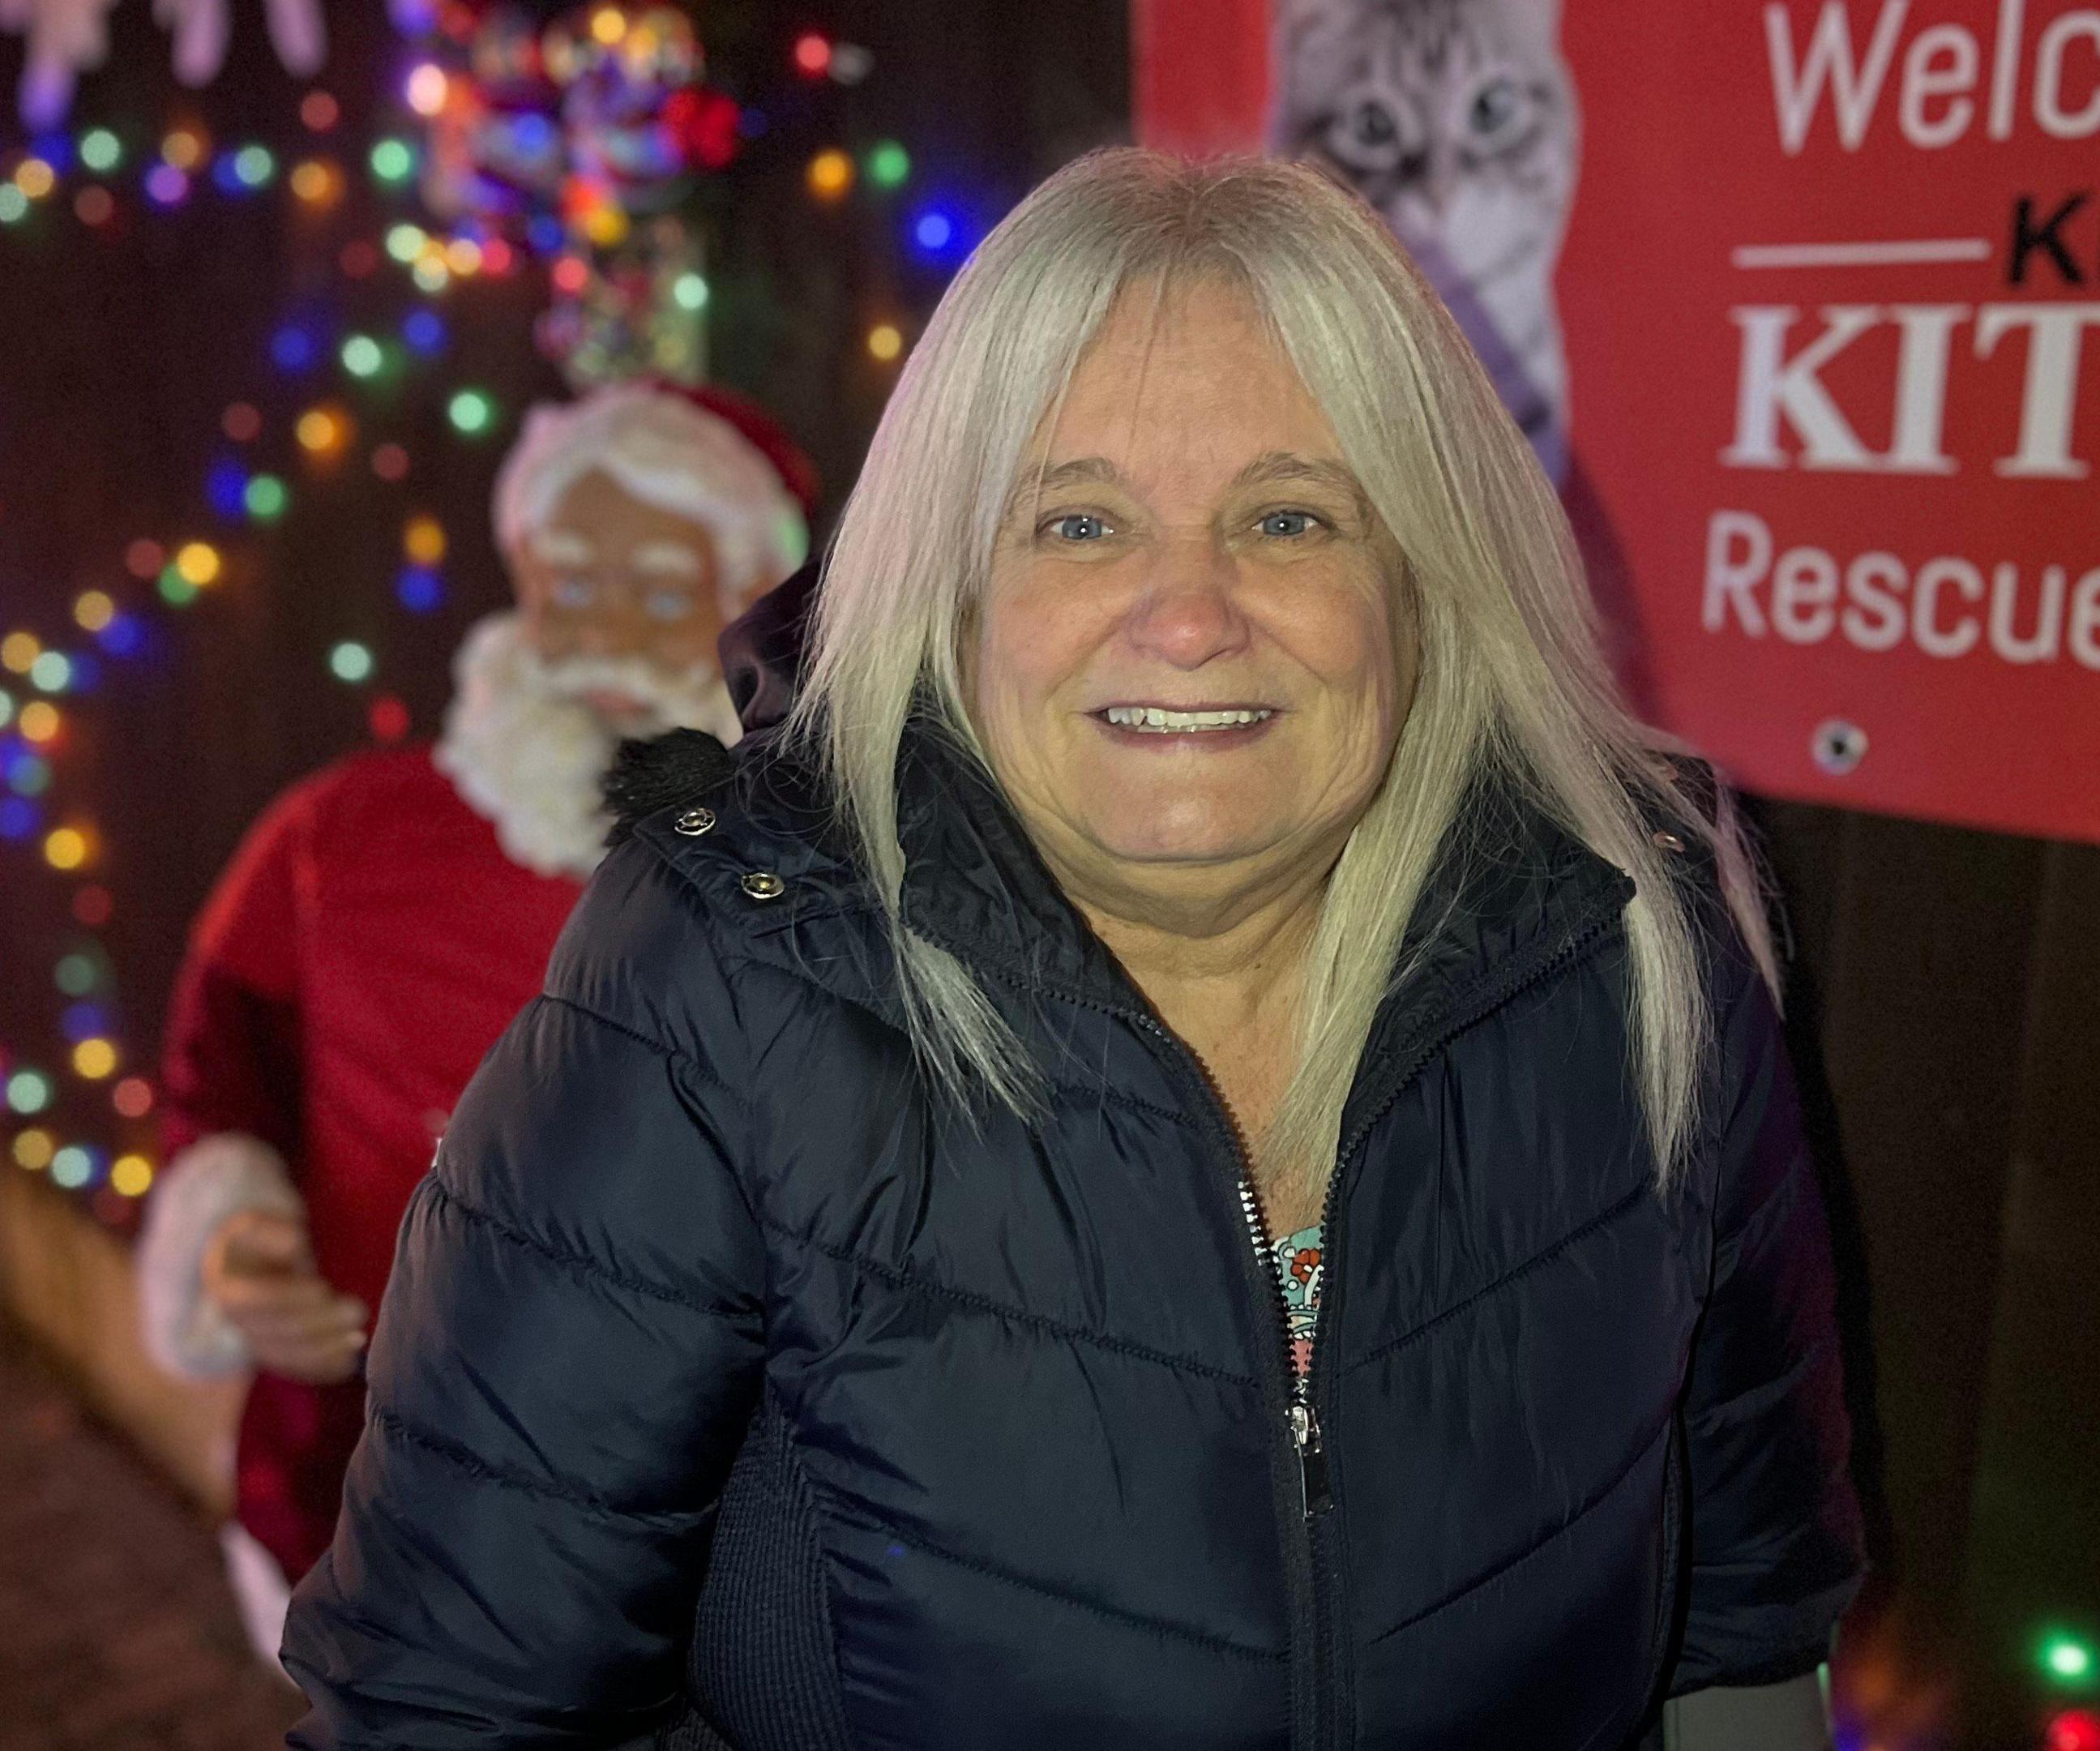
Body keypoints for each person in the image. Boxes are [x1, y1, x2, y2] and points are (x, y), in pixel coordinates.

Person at [283, 152, 1861, 1749]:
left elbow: (1740, 1622)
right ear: (948, 590)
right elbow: (449, 1709)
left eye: (1292, 516)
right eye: (1081, 520)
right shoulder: (722, 978)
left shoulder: (1640, 932)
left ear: (1426, 579)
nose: (1187, 616)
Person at [135, 379, 815, 1663]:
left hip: (705, 1551)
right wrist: (236, 1245)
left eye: (663, 592)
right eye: (571, 580)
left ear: (750, 598)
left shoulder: (835, 879)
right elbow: (222, 1084)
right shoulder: (333, 840)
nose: (605, 626)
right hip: (371, 1509)